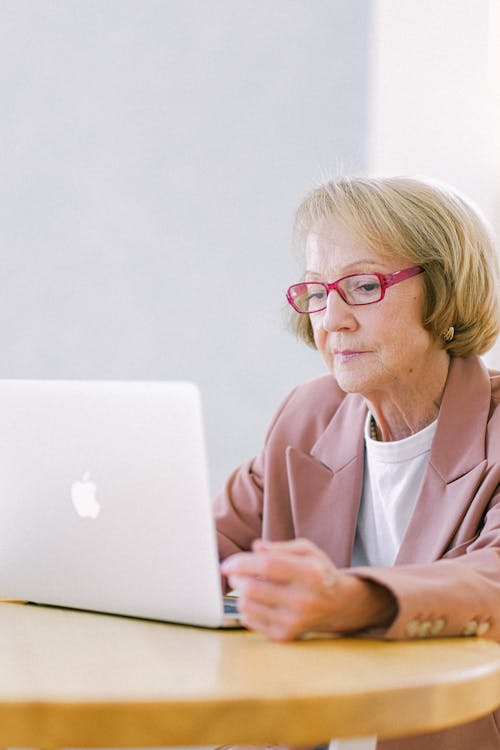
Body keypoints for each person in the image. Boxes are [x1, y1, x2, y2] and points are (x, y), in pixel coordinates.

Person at [214, 176, 500, 750]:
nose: (332, 319)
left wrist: (353, 599)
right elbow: (204, 546)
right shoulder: (309, 416)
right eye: (318, 293)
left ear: (444, 293)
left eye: (365, 286)